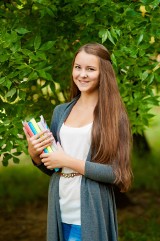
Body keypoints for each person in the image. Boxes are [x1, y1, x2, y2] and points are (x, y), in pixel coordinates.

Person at [23, 43, 132, 241]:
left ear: (103, 73)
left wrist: (67, 160)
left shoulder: (114, 117)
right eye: (78, 67)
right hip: (60, 208)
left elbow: (118, 173)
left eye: (90, 69)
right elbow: (54, 168)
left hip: (91, 211)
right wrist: (35, 155)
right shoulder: (60, 112)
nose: (82, 74)